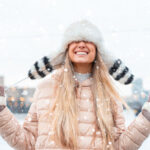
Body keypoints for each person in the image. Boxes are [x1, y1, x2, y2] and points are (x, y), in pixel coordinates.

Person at [0, 20, 150, 150]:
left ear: (98, 50)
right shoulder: (45, 88)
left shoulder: (109, 93)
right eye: (75, 40)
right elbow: (27, 143)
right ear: (66, 48)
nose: (82, 44)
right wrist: (1, 112)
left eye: (88, 40)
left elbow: (119, 146)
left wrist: (146, 118)